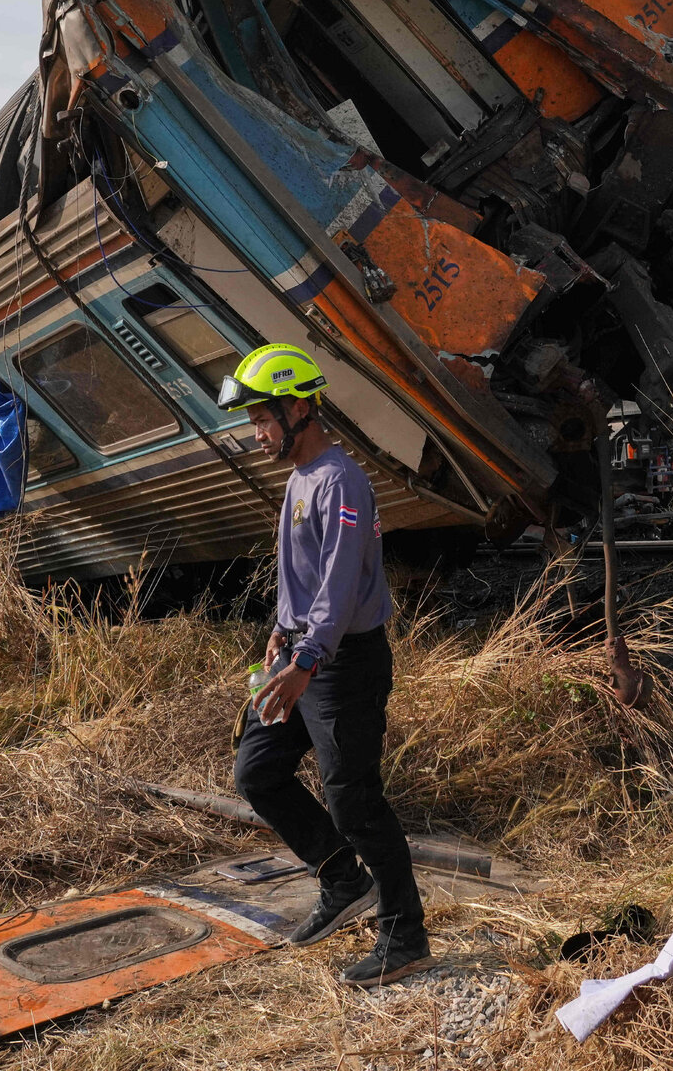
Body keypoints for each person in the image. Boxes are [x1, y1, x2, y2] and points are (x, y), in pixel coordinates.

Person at [219, 343, 431, 989]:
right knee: (257, 772)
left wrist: (306, 657)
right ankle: (342, 878)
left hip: (343, 666)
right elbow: (302, 582)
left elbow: (338, 588)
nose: (255, 433)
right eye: (252, 420)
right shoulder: (299, 480)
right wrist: (278, 640)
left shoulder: (341, 481)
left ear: (300, 409)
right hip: (302, 655)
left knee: (356, 802)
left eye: (262, 418)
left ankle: (405, 935)